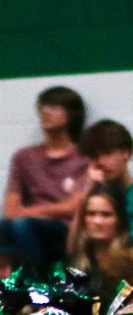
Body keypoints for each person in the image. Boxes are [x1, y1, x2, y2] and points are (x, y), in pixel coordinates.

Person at [7, 85, 92, 226]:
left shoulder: (85, 157)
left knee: (23, 226)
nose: (45, 112)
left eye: (53, 108)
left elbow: (74, 207)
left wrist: (27, 212)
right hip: (30, 227)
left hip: (66, 229)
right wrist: (54, 210)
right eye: (42, 108)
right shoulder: (23, 157)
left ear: (71, 114)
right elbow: (10, 211)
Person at [67, 188, 133, 292]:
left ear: (119, 220)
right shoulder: (74, 260)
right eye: (91, 214)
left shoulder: (129, 262)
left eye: (106, 214)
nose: (97, 221)